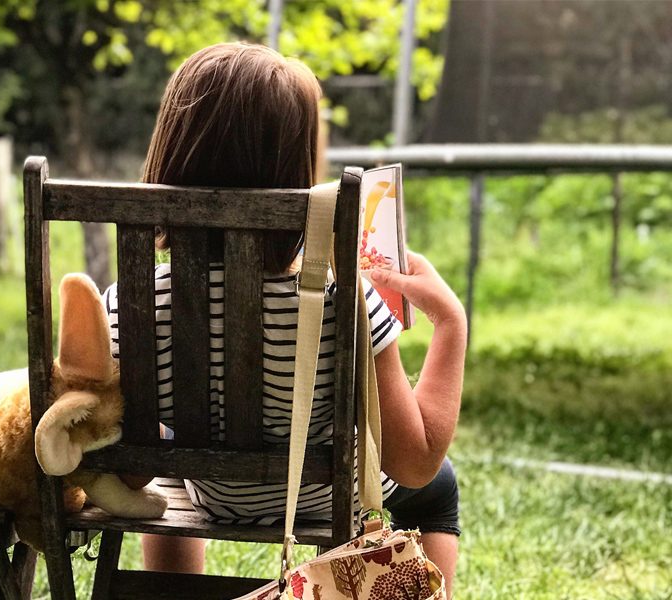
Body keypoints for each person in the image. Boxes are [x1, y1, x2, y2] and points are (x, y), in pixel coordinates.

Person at [101, 42, 466, 596]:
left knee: (171, 455)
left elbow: (132, 469)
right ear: (297, 173)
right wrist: (451, 323)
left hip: (212, 490)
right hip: (321, 494)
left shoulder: (128, 306)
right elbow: (413, 463)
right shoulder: (350, 304)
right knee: (439, 486)